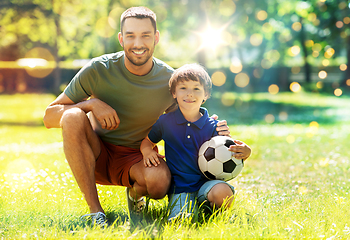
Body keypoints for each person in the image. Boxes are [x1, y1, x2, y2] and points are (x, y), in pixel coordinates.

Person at [43, 6, 230, 226]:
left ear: (156, 38)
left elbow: (186, 117)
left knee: (159, 183)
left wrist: (211, 126)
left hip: (137, 157)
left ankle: (135, 195)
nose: (138, 43)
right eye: (131, 36)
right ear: (121, 39)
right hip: (96, 153)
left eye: (145, 36)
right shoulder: (97, 69)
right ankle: (96, 212)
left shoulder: (169, 80)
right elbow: (49, 116)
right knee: (73, 115)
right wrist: (91, 104)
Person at [140, 63, 251, 221]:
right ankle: (191, 207)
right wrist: (147, 151)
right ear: (174, 93)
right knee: (182, 221)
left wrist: (246, 152)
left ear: (205, 95)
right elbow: (147, 141)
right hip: (180, 189)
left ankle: (211, 209)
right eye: (183, 88)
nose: (189, 94)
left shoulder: (213, 126)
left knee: (223, 193)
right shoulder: (165, 122)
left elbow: (230, 153)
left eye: (196, 89)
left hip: (207, 185)